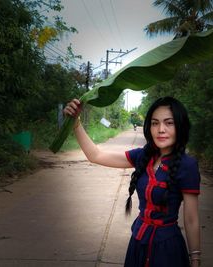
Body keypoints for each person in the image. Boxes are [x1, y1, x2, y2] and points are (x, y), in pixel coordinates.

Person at [64, 96, 201, 267]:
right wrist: (75, 122)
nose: (161, 129)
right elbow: (96, 155)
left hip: (167, 250)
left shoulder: (187, 165)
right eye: (154, 123)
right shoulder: (143, 156)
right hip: (138, 242)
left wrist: (195, 259)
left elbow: (191, 219)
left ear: (180, 126)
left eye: (169, 123)